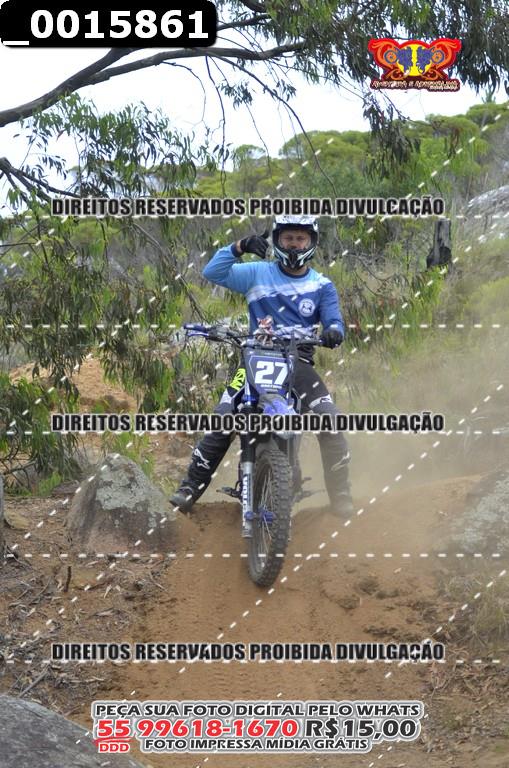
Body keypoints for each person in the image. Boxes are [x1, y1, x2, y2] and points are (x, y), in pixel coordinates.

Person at [171, 215, 353, 517]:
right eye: (288, 238)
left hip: (298, 363)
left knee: (329, 419)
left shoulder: (322, 285)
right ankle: (190, 488)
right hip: (255, 358)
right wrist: (239, 246)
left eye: (300, 239)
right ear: (277, 240)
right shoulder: (257, 272)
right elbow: (212, 271)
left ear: (311, 242)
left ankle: (341, 494)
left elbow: (334, 319)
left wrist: (334, 331)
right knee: (224, 415)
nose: (294, 245)